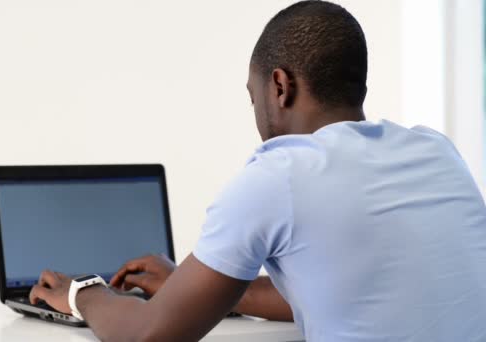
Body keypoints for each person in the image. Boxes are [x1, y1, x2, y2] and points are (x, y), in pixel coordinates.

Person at [29, 1, 486, 340]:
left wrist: (82, 293)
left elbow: (150, 334)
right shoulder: (436, 151)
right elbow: (349, 288)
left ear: (280, 86)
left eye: (253, 96)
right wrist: (207, 290)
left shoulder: (281, 174)